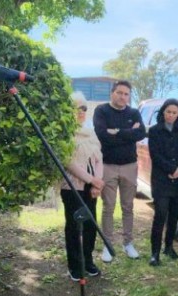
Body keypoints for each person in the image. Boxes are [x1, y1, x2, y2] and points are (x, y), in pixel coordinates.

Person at [93, 80, 147, 262]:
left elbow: (141, 133)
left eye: (126, 94)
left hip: (130, 166)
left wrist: (116, 132)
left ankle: (128, 243)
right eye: (120, 93)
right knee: (108, 207)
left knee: (128, 207)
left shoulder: (133, 113)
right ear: (112, 93)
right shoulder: (101, 111)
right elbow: (102, 135)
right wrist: (128, 133)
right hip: (107, 166)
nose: (123, 97)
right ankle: (108, 245)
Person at [61, 93, 105, 280]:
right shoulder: (65, 134)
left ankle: (87, 260)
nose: (81, 112)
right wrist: (92, 180)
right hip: (72, 187)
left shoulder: (90, 132)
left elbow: (98, 158)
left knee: (90, 225)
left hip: (91, 187)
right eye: (77, 108)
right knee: (74, 226)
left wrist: (98, 182)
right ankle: (74, 266)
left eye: (84, 108)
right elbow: (69, 162)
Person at [147, 99, 178, 266]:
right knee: (160, 215)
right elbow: (155, 155)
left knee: (174, 215)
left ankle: (169, 246)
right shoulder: (155, 131)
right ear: (163, 112)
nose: (171, 115)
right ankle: (155, 252)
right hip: (161, 179)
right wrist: (170, 169)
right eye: (168, 112)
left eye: (174, 112)